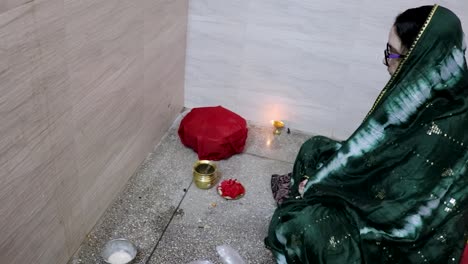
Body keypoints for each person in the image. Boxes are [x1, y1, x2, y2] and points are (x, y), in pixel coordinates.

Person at [265, 5, 468, 263]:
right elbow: (377, 153)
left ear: (420, 59)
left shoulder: (449, 120)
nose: (386, 62)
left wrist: (322, 186)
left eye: (394, 55)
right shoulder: (419, 93)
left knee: (301, 227)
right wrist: (326, 179)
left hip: (399, 229)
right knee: (314, 148)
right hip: (378, 185)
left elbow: (398, 200)